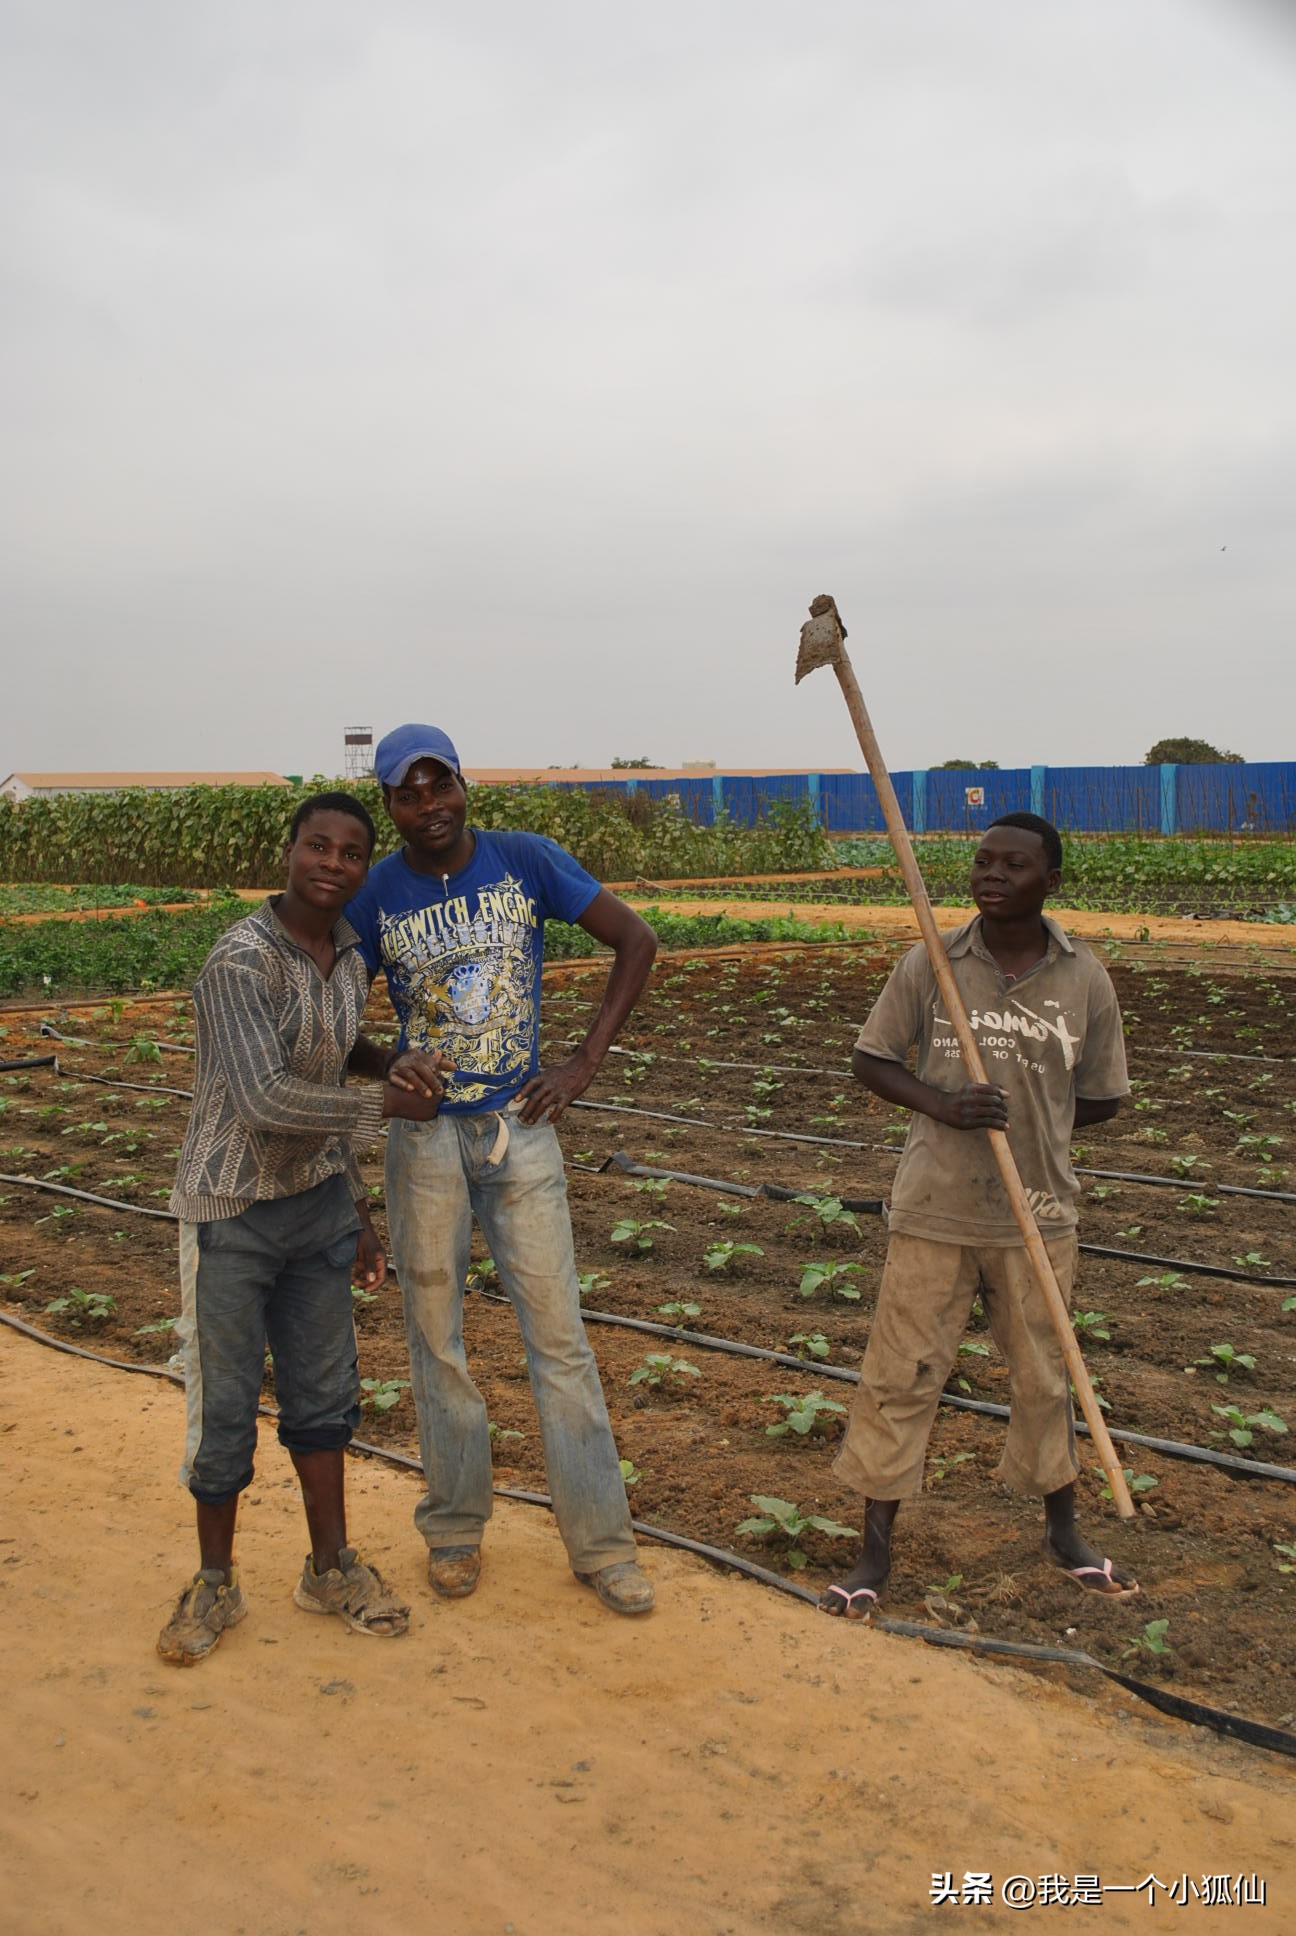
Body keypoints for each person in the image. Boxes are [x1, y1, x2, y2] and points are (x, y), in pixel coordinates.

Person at [344, 724, 659, 1615]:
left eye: (441, 786)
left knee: (559, 1338)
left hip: (521, 1130)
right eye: (410, 794)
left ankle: (601, 1545)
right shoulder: (374, 895)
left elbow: (634, 941)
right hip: (427, 1143)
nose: (430, 806)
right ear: (391, 805)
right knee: (435, 1338)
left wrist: (583, 1063)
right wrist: (386, 1066)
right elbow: (331, 1013)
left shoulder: (526, 861)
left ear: (463, 787)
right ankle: (452, 1528)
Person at [821, 811, 1138, 1618]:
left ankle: (1063, 1534)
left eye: (1015, 865)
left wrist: (1039, 1125)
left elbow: (1098, 1097)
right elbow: (870, 1058)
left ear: (1051, 881)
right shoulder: (931, 963)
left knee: (1043, 1375)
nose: (993, 875)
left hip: (1039, 1213)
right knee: (902, 1373)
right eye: (983, 861)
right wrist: (942, 1104)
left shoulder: (1084, 977)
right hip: (935, 1209)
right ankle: (873, 1550)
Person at [158, 791, 447, 1664]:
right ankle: (214, 1583)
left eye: (350, 853)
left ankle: (330, 1569)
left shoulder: (350, 953)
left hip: (316, 1209)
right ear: (288, 855)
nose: (333, 864)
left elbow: (329, 1046)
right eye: (317, 847)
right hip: (232, 1214)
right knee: (225, 1408)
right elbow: (264, 1096)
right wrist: (385, 1107)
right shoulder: (238, 963)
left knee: (325, 1399)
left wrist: (354, 1202)